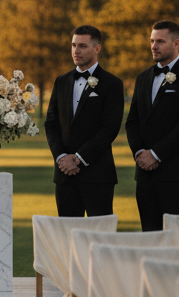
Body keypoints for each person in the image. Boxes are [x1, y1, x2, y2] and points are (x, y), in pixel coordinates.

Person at [125, 21, 179, 231]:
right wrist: (140, 153)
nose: (154, 46)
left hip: (177, 174)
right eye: (152, 41)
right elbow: (132, 121)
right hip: (145, 175)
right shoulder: (143, 78)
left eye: (160, 41)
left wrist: (156, 154)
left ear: (176, 43)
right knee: (150, 236)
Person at [44, 24, 124, 217]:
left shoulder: (112, 84)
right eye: (73, 45)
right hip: (64, 176)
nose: (76, 51)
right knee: (67, 235)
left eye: (82, 46)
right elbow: (51, 123)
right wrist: (62, 158)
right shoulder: (61, 82)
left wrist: (79, 158)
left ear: (97, 49)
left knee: (100, 237)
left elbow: (110, 128)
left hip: (97, 175)